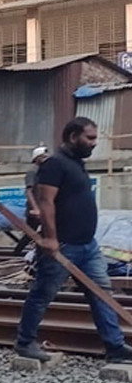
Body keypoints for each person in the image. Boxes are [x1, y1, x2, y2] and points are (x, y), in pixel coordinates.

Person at [16, 117, 132, 364]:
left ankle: (114, 346)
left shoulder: (76, 164)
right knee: (43, 293)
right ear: (72, 137)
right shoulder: (54, 164)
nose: (94, 143)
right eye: (90, 138)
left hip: (88, 246)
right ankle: (25, 342)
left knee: (102, 293)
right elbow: (46, 201)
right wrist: (50, 238)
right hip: (63, 246)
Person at [14, 146, 50, 255]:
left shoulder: (45, 172)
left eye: (46, 157)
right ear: (36, 158)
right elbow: (29, 191)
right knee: (30, 234)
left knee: (45, 231)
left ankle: (40, 252)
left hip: (44, 208)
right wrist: (35, 208)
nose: (45, 159)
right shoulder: (32, 172)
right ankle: (16, 253)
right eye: (43, 157)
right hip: (35, 209)